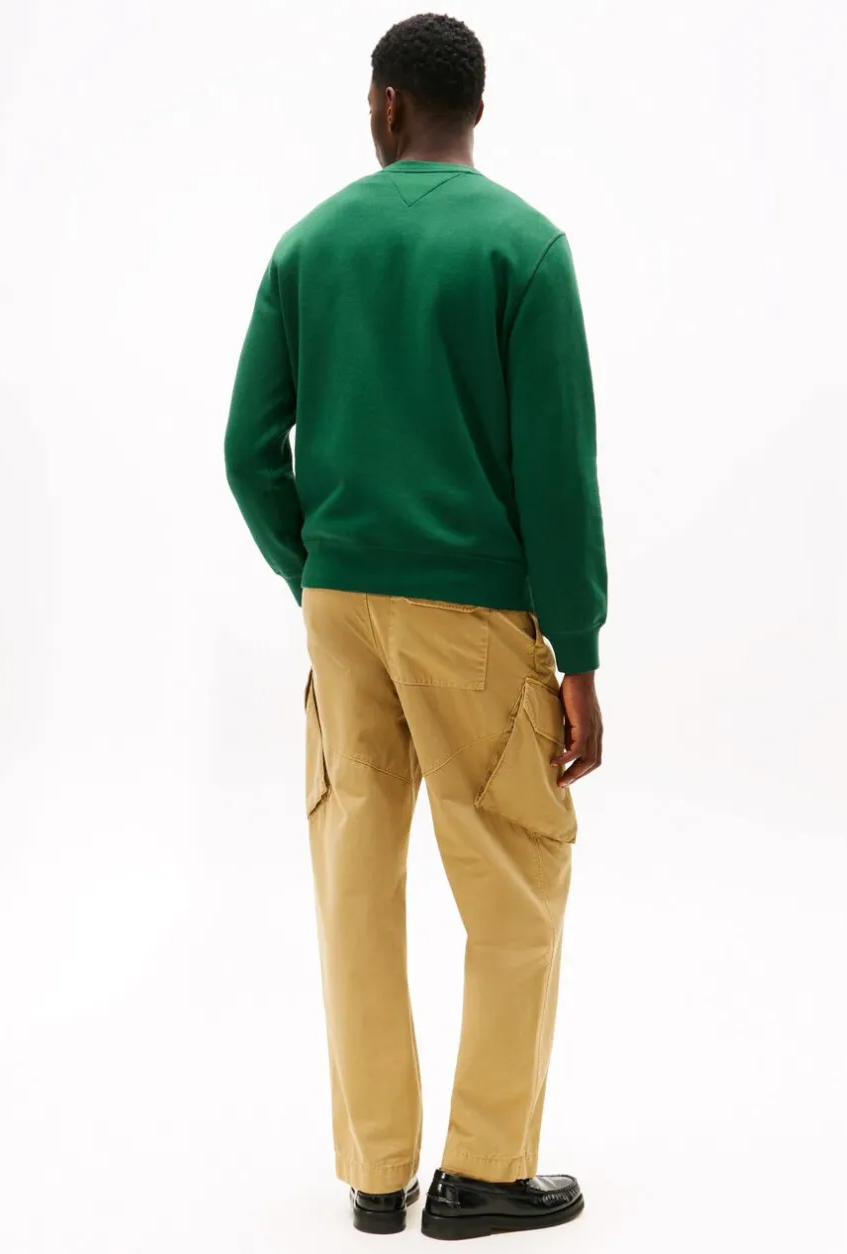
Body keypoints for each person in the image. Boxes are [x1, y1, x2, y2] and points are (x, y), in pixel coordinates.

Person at [224, 11, 607, 1241]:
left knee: (355, 876)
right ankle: (481, 1173)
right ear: (473, 109)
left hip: (341, 611)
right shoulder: (523, 249)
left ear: (386, 104)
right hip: (471, 613)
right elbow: (557, 472)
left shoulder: (309, 243)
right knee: (513, 884)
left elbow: (247, 449)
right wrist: (579, 653)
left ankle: (376, 1175)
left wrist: (317, 573)